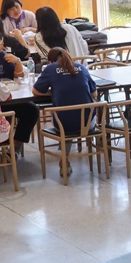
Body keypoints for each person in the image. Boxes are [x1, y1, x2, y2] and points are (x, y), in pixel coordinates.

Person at [32, 48, 97, 176]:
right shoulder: (81, 68)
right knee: (77, 113)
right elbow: (94, 93)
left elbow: (36, 91)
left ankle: (64, 160)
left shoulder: (50, 68)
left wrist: (54, 91)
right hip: (88, 123)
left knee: (65, 118)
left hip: (64, 125)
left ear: (50, 61)